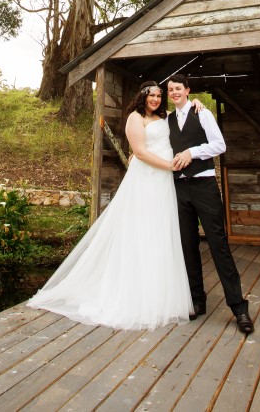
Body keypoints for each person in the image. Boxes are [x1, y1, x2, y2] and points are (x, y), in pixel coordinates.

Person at [26, 81, 194, 330]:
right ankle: (133, 293)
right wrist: (169, 166)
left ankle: (160, 292)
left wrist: (196, 103)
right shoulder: (135, 118)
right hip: (147, 178)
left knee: (161, 231)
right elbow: (140, 152)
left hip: (164, 183)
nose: (156, 99)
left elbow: (184, 113)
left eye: (159, 95)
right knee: (141, 230)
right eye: (152, 95)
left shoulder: (166, 116)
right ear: (142, 97)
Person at [167, 74, 255, 335]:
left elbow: (219, 145)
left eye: (178, 89)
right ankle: (197, 301)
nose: (174, 93)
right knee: (187, 245)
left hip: (204, 186)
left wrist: (191, 153)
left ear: (187, 90)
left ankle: (239, 307)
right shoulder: (167, 121)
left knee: (218, 244)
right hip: (180, 188)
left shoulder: (201, 113)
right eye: (170, 89)